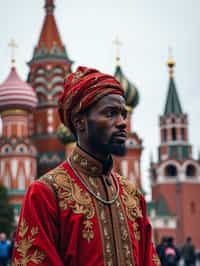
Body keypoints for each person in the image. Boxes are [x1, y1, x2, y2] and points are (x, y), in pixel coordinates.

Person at [12, 66, 160, 265]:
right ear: (80, 122)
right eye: (110, 114)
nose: (122, 122)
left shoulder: (132, 195)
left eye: (123, 114)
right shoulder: (46, 193)